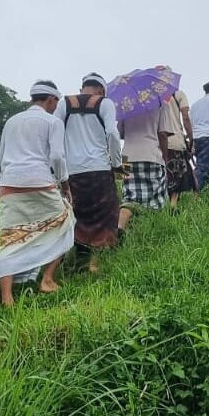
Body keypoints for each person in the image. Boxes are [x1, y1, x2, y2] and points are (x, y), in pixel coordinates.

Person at [0, 80, 74, 305]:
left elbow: (0, 160)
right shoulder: (52, 121)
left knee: (10, 237)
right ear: (50, 99)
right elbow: (57, 157)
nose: (56, 106)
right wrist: (65, 185)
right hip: (40, 182)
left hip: (10, 184)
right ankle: (47, 279)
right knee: (66, 223)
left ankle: (7, 298)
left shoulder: (11, 122)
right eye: (56, 101)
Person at [56, 72, 121, 272]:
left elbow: (55, 134)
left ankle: (80, 261)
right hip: (99, 169)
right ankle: (96, 261)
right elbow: (112, 133)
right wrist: (116, 163)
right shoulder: (105, 103)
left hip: (73, 172)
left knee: (77, 215)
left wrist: (58, 169)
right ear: (101, 90)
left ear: (82, 88)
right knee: (105, 214)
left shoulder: (64, 104)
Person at [118, 103, 170, 233]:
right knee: (155, 201)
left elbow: (120, 132)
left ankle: (120, 226)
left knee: (129, 197)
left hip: (127, 157)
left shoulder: (125, 102)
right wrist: (165, 158)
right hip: (151, 155)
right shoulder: (161, 103)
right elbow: (163, 134)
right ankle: (151, 234)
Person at [161, 86, 196, 209]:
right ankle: (173, 206)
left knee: (164, 177)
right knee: (179, 178)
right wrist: (191, 139)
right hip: (175, 141)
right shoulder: (178, 94)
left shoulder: (152, 98)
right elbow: (186, 117)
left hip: (157, 143)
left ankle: (165, 207)